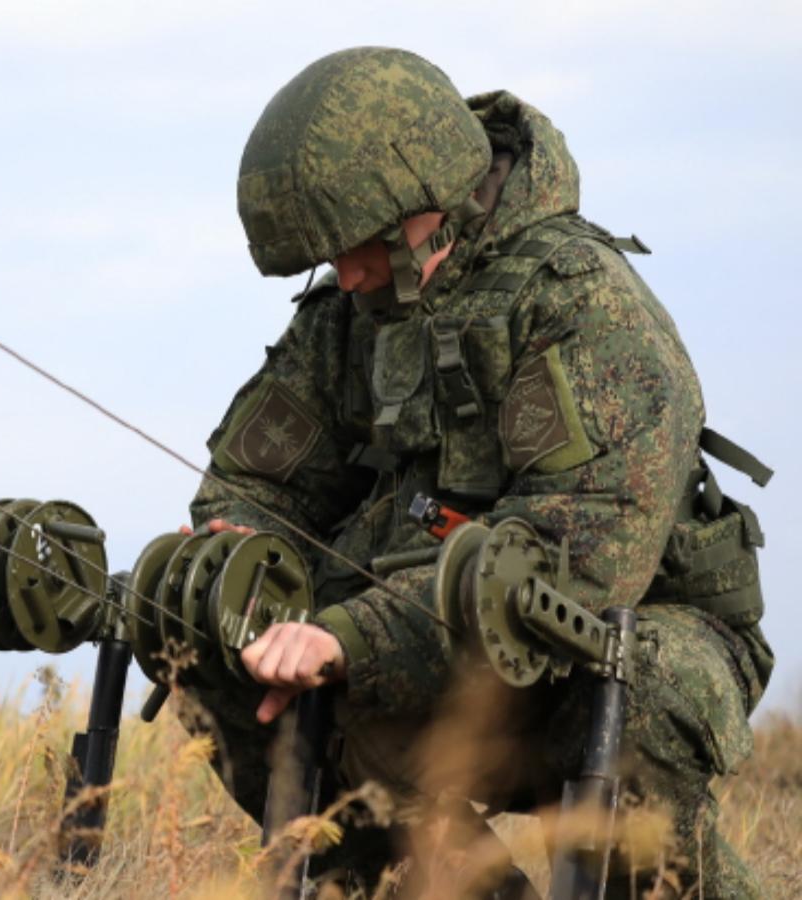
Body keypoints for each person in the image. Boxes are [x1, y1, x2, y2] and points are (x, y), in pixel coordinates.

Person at [186, 47, 773, 897]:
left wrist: (349, 639)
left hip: (615, 635)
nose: (343, 274)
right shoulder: (353, 315)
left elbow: (573, 562)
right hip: (426, 647)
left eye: (352, 247)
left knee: (640, 685)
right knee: (209, 637)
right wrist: (232, 557)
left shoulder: (580, 303)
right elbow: (255, 487)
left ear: (419, 208)